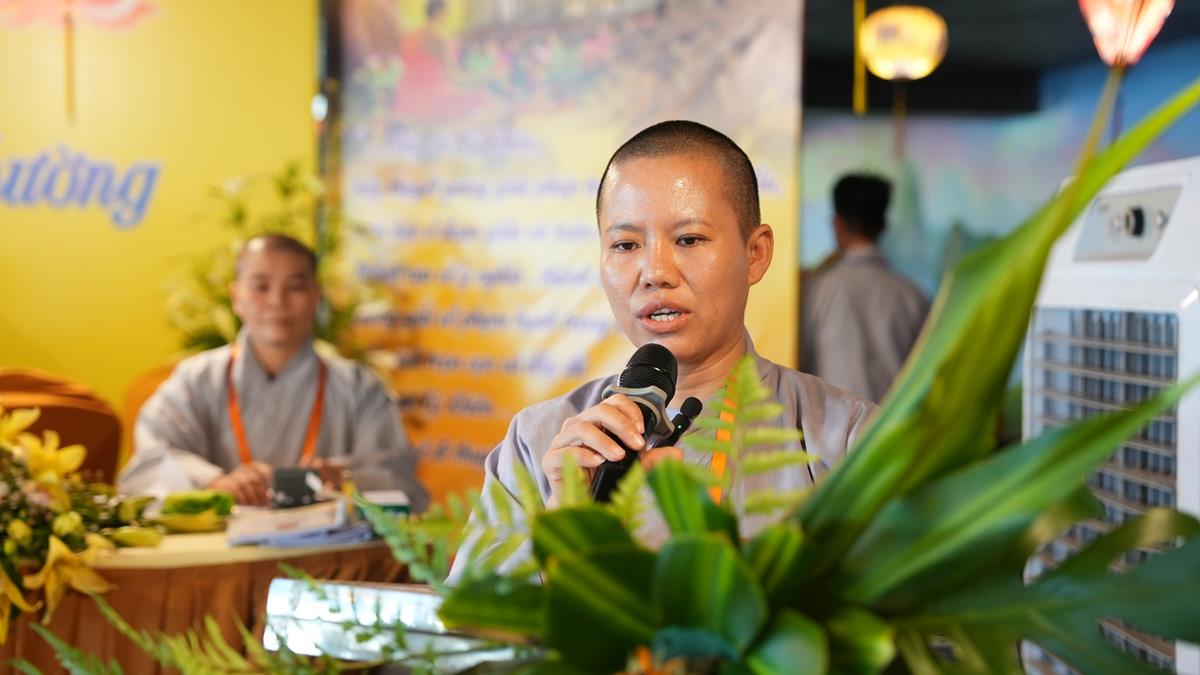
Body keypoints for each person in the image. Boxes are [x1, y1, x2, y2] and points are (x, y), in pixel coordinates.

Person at [448, 121, 876, 581]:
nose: (655, 272)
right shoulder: (537, 442)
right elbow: (461, 622)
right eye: (625, 244)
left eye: (689, 239)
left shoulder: (846, 439)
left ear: (755, 253)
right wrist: (562, 528)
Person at [119, 234, 428, 510]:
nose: (277, 301)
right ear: (236, 297)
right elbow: (152, 459)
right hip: (219, 547)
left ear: (316, 297)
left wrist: (343, 476)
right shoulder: (195, 379)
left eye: (295, 287)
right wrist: (213, 481)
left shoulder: (359, 387)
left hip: (324, 550)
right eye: (261, 286)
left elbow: (395, 474)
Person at [802, 173, 929, 403]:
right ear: (884, 227)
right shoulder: (913, 295)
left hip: (828, 422)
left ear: (837, 224)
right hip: (892, 423)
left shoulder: (817, 289)